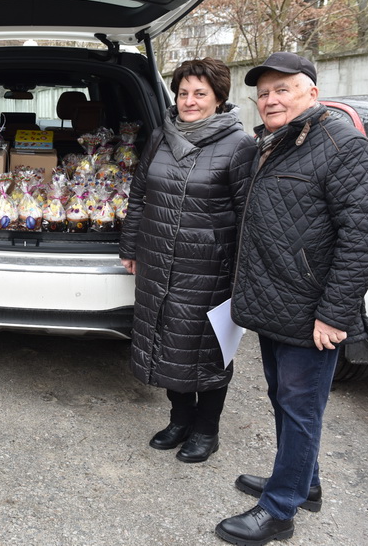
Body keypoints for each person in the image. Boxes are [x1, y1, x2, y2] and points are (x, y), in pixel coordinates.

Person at [216, 53, 368, 545]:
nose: (271, 99)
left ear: (312, 91)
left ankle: (279, 510)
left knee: (300, 408)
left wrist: (334, 314)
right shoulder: (274, 144)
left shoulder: (342, 145)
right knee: (286, 399)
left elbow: (363, 238)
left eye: (283, 89)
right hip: (276, 302)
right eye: (264, 93)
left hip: (312, 312)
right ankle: (303, 483)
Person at [120, 58, 257, 463]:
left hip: (210, 269)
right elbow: (139, 195)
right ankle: (180, 420)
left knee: (208, 351)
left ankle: (207, 430)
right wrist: (130, 247)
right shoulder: (161, 137)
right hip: (156, 259)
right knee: (166, 341)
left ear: (219, 98)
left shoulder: (239, 145)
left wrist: (241, 274)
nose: (189, 101)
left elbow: (247, 215)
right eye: (183, 93)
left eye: (200, 93)